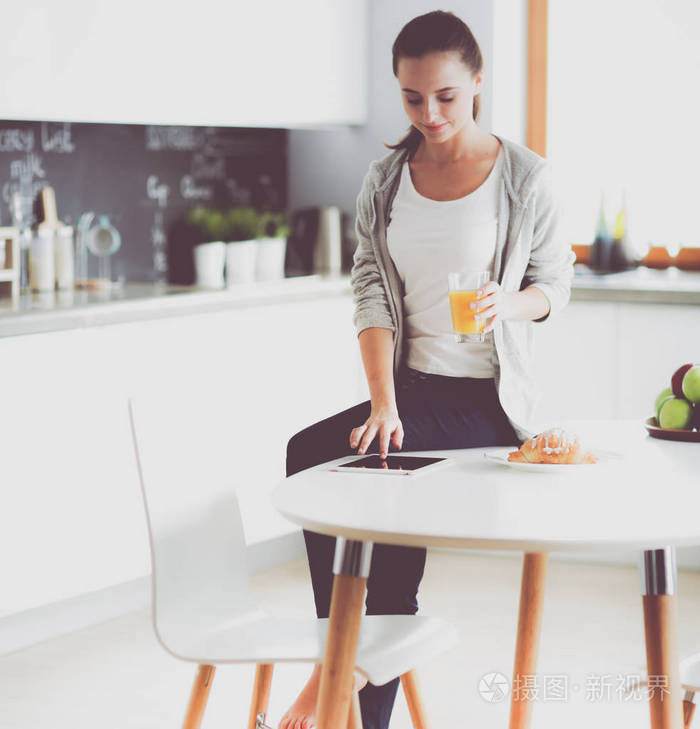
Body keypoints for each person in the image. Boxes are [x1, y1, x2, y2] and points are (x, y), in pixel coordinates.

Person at [278, 9, 575, 729]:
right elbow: (372, 295)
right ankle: (347, 681)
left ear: (477, 82)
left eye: (445, 95)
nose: (430, 113)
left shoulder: (525, 176)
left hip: (484, 399)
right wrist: (382, 401)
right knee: (329, 475)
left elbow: (555, 286)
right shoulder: (385, 181)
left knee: (337, 461)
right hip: (409, 394)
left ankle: (333, 675)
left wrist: (513, 301)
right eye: (413, 98)